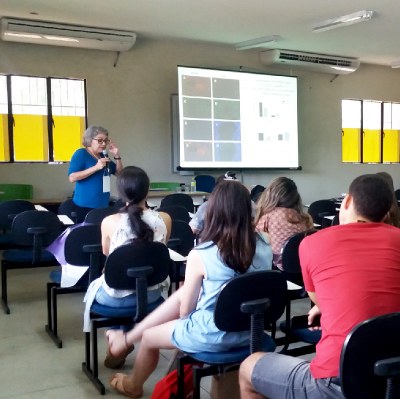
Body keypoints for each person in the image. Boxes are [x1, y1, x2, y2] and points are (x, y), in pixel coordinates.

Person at [105, 180, 273, 398]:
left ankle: (134, 385)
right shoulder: (265, 243)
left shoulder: (202, 253)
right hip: (252, 330)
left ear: (213, 210)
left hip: (212, 335)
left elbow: (185, 312)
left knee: (149, 336)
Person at [239, 174, 400, 399]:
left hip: (337, 381)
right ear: (385, 213)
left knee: (249, 367)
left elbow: (320, 300)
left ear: (347, 201)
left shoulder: (313, 243)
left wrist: (322, 306)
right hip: (393, 374)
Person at [83, 166, 172, 368]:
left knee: (104, 284)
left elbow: (108, 254)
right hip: (151, 294)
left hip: (115, 298)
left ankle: (116, 335)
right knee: (127, 280)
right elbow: (159, 251)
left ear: (121, 193)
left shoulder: (109, 221)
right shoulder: (164, 219)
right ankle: (121, 339)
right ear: (147, 191)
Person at [254, 177, 313, 270]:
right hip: (302, 268)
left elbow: (255, 244)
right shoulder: (306, 218)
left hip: (274, 270)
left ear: (270, 195)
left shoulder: (266, 217)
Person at [68, 125, 123, 217]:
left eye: (105, 140)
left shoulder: (103, 156)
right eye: (100, 140)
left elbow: (119, 173)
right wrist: (96, 167)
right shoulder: (81, 153)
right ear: (89, 140)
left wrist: (117, 156)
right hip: (84, 206)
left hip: (103, 205)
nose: (104, 144)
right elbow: (72, 177)